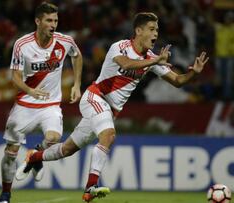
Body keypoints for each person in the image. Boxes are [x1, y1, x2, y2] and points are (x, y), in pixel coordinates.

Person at [16, 12, 209, 202]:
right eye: (151, 29)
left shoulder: (151, 58)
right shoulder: (121, 47)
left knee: (67, 149)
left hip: (108, 111)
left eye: (157, 30)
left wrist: (194, 74)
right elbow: (126, 63)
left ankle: (34, 157)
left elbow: (177, 80)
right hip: (94, 97)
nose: (156, 34)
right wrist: (155, 61)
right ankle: (90, 187)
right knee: (108, 135)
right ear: (138, 30)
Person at [0, 2, 83, 203]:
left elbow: (77, 56)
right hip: (24, 105)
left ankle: (35, 156)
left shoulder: (65, 41)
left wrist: (77, 84)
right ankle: (6, 193)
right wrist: (30, 90)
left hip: (50, 105)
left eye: (56, 20)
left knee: (54, 138)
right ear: (38, 21)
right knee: (11, 153)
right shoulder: (22, 44)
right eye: (49, 20)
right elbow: (15, 76)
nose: (53, 24)